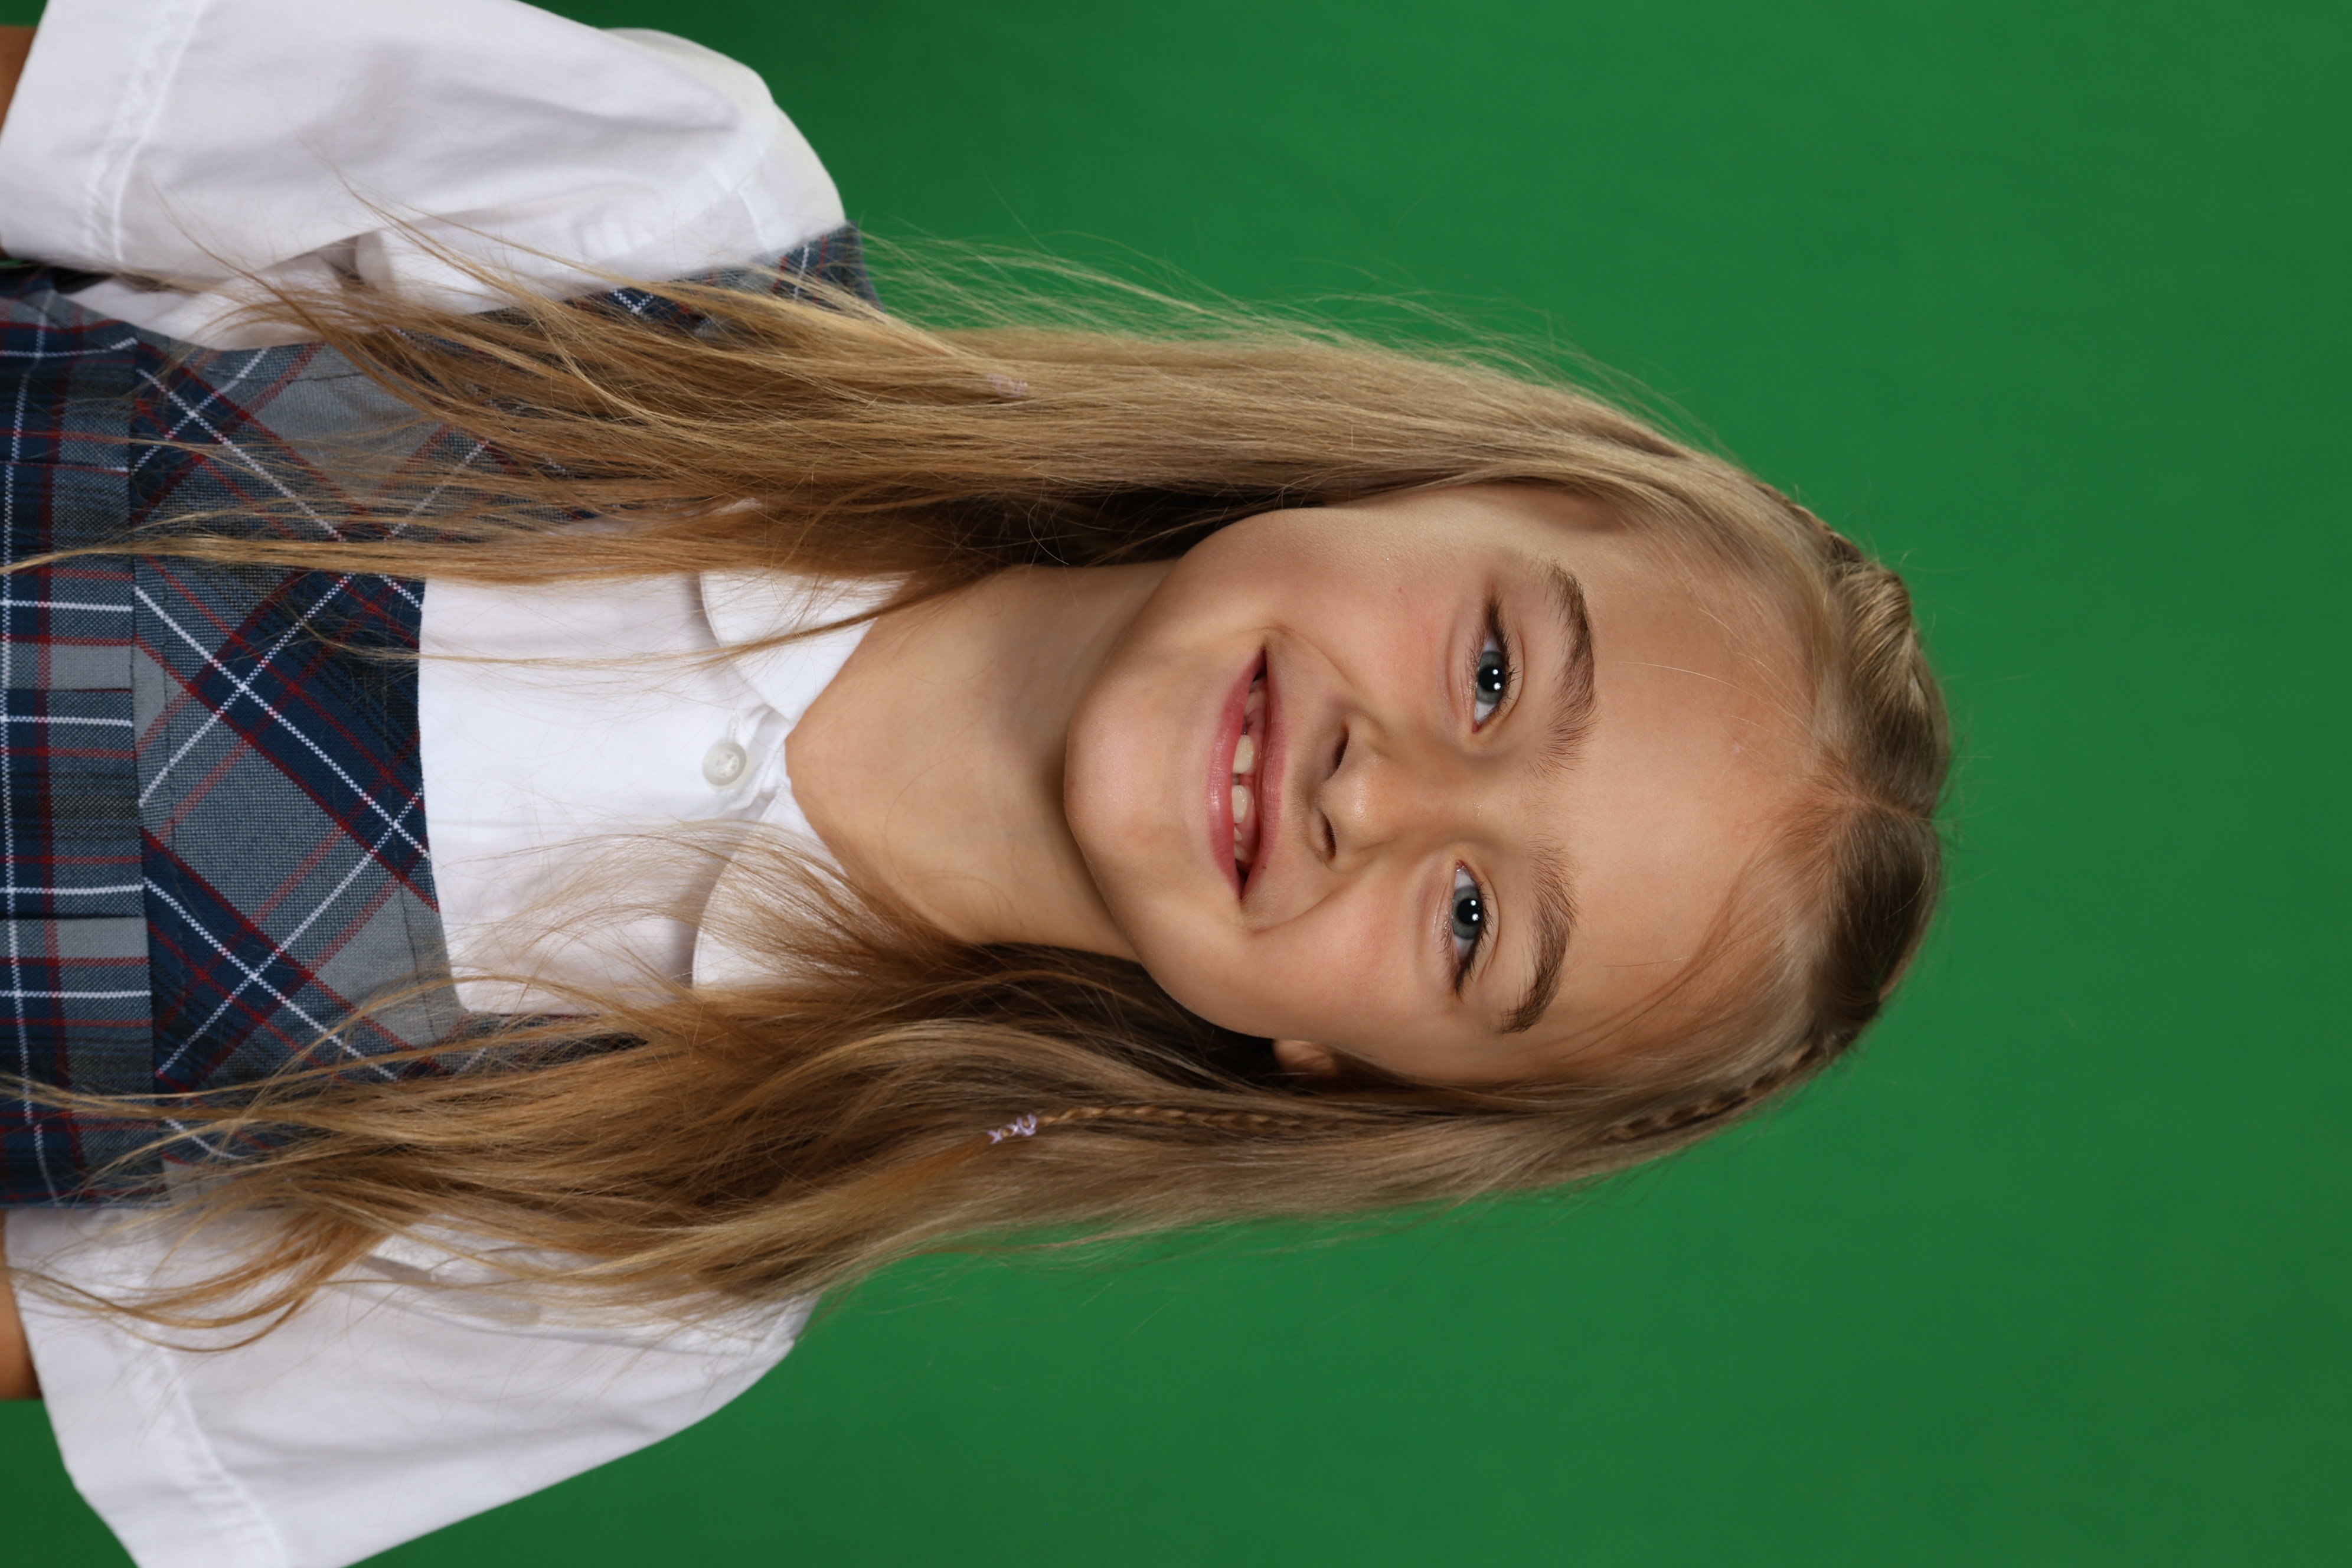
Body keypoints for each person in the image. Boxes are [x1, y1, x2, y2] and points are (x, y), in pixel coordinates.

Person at [0, 1, 1948, 1563]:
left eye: (1469, 923)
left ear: (1345, 1071)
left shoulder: (655, 1271)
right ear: (1442, 484)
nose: (1383, 796)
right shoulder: (677, 224)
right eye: (1500, 670)